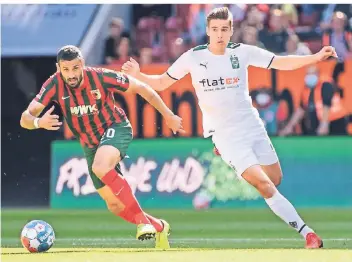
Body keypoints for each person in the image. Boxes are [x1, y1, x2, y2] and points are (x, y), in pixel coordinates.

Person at [122, 7, 338, 249]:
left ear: (231, 30)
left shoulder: (241, 52)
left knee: (275, 179)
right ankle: (307, 234)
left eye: (224, 29)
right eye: (215, 30)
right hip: (224, 134)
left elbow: (280, 62)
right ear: (207, 31)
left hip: (251, 124)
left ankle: (232, 158)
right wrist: (139, 74)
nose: (220, 34)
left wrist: (315, 57)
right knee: (264, 186)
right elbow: (161, 82)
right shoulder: (193, 57)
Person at [20, 45, 185, 249]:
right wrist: (38, 122)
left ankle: (142, 222)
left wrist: (168, 115)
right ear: (58, 68)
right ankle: (159, 227)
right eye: (66, 69)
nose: (71, 74)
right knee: (114, 206)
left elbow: (142, 88)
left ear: (82, 65)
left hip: (116, 127)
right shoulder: (53, 84)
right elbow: (25, 118)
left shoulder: (100, 77)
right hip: (90, 144)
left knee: (100, 166)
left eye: (75, 68)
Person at [279, 65, 347, 136]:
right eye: (308, 74)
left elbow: (326, 105)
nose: (309, 76)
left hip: (337, 121)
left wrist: (324, 124)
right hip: (322, 122)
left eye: (312, 73)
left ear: (318, 74)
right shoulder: (307, 89)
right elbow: (301, 109)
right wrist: (289, 127)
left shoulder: (326, 84)